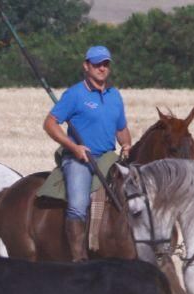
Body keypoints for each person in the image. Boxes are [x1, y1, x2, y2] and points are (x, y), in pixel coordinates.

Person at [43, 46, 132, 261]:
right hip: (79, 160)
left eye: (106, 64)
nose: (102, 68)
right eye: (97, 64)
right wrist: (74, 148)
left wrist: (127, 144)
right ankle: (78, 259)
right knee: (77, 205)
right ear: (86, 66)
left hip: (109, 158)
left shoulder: (114, 95)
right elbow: (50, 124)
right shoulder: (75, 94)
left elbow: (121, 128)